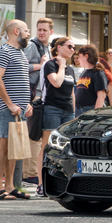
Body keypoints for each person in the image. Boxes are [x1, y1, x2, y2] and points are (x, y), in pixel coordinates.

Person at [0, 20, 33, 200]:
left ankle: (10, 185)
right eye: (26, 30)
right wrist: (10, 104)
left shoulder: (20, 53)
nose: (29, 33)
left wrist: (27, 104)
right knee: (5, 145)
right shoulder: (4, 51)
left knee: (14, 147)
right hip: (10, 108)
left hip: (20, 109)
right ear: (16, 31)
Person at [36, 37, 76, 197]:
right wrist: (61, 66)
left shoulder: (71, 69)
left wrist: (74, 112)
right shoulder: (50, 65)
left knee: (68, 147)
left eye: (74, 47)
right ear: (59, 47)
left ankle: (64, 182)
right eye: (69, 46)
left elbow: (72, 93)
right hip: (52, 109)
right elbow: (57, 83)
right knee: (47, 146)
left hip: (68, 111)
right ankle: (41, 184)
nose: (72, 50)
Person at [23, 18, 53, 187]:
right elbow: (21, 66)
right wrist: (40, 66)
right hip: (32, 96)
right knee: (34, 136)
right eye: (39, 29)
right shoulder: (32, 46)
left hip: (40, 96)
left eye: (44, 30)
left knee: (35, 136)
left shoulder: (47, 48)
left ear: (51, 32)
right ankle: (31, 174)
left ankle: (30, 173)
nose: (41, 32)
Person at [75, 45, 107, 116]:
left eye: (79, 56)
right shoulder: (84, 72)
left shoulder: (98, 73)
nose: (78, 59)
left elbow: (101, 96)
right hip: (79, 109)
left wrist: (94, 114)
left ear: (86, 56)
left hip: (90, 109)